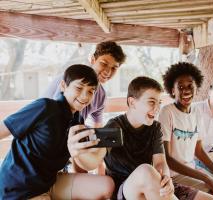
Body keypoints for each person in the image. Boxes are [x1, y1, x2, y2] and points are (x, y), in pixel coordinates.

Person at [0, 64, 114, 199]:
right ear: (63, 86)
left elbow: (83, 163)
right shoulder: (45, 107)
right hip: (20, 189)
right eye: (79, 88)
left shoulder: (78, 121)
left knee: (106, 184)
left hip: (50, 182)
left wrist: (82, 155)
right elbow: (3, 129)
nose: (85, 96)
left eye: (91, 91)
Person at [158, 62, 213, 200]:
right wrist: (206, 178)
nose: (186, 90)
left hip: (192, 170)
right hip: (174, 176)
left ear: (196, 87)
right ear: (172, 90)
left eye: (190, 86)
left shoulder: (196, 112)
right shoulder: (167, 112)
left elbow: (198, 151)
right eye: (180, 87)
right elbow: (167, 159)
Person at [103, 76, 177, 200]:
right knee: (145, 171)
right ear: (132, 102)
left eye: (159, 103)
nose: (157, 108)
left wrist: (166, 178)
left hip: (150, 186)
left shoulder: (155, 127)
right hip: (123, 191)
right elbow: (97, 156)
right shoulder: (114, 126)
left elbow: (160, 162)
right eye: (152, 102)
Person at [43, 41, 126, 128]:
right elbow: (57, 119)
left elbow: (97, 127)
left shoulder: (101, 96)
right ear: (93, 60)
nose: (108, 72)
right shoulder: (71, 79)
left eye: (114, 68)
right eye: (104, 64)